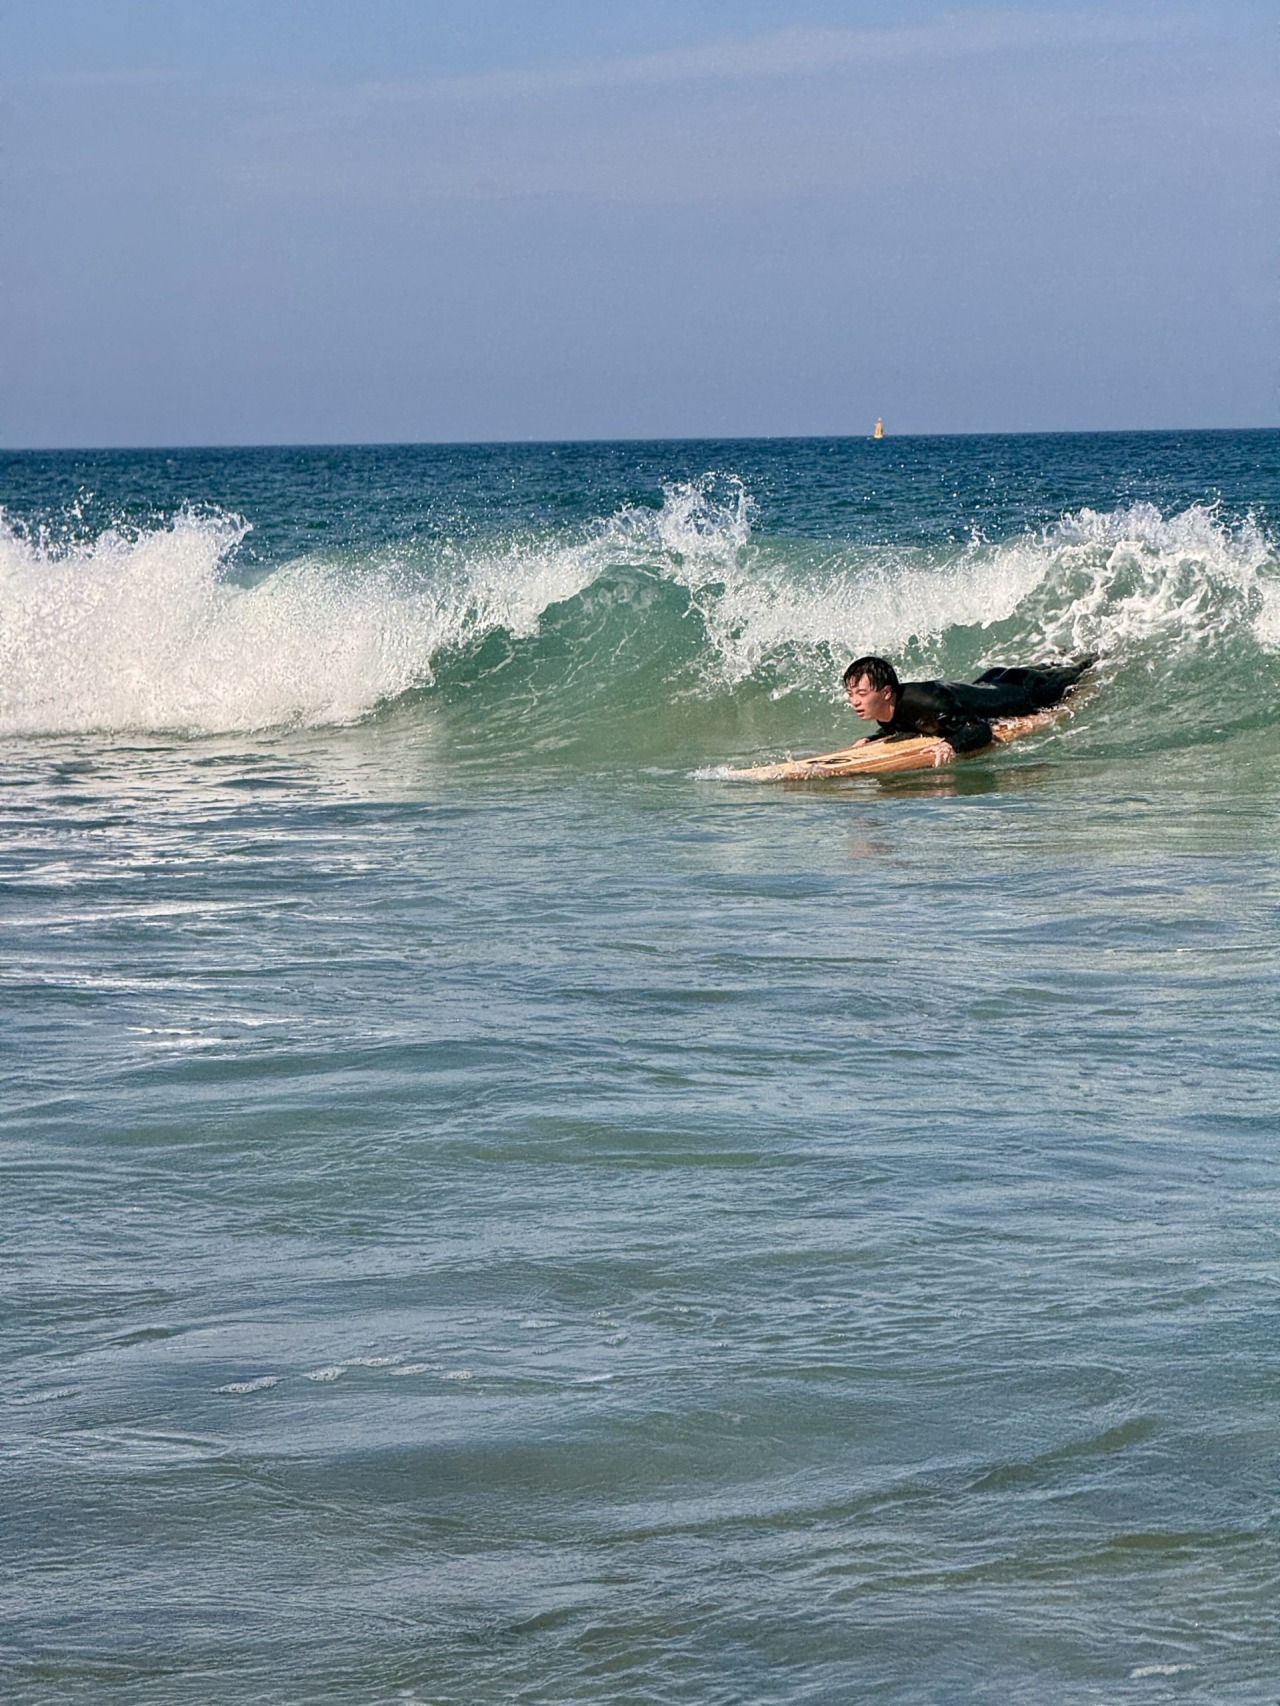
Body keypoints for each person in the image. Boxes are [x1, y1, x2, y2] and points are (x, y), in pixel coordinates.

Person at [842, 654, 1095, 761]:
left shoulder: (930, 705)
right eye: (851, 694)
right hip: (990, 682)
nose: (855, 701)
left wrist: (952, 744)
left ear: (887, 693)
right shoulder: (888, 709)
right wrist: (873, 738)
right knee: (1059, 662)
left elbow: (980, 730)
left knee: (1082, 668)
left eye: (862, 693)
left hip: (1026, 692)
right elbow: (905, 723)